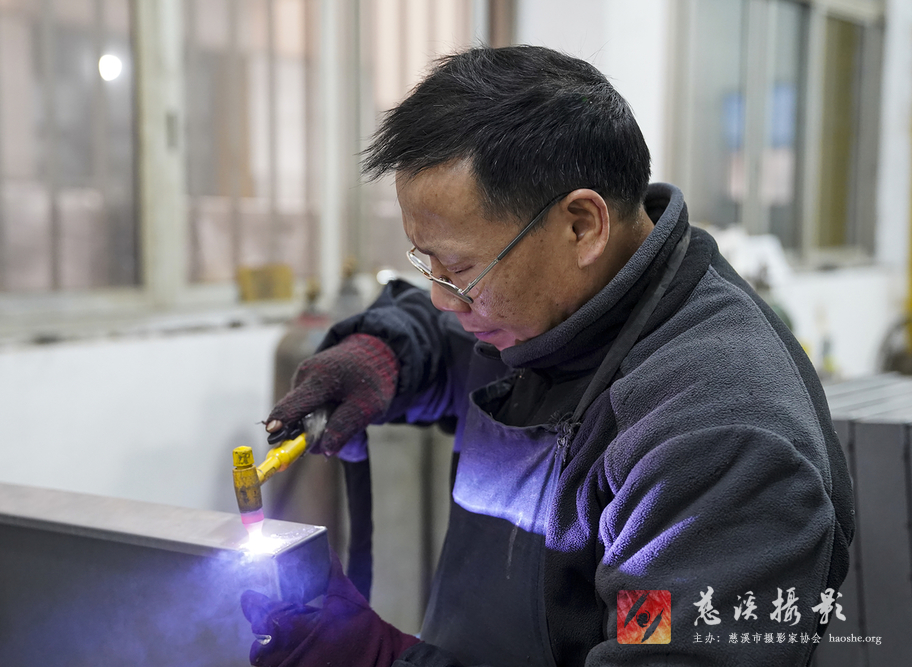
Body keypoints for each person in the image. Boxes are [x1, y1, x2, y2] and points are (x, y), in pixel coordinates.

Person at [241, 45, 854, 666]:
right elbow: (445, 342)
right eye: (428, 263)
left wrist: (381, 660)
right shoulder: (534, 312)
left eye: (460, 268)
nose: (444, 299)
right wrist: (384, 354)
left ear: (582, 226)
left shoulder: (716, 436)